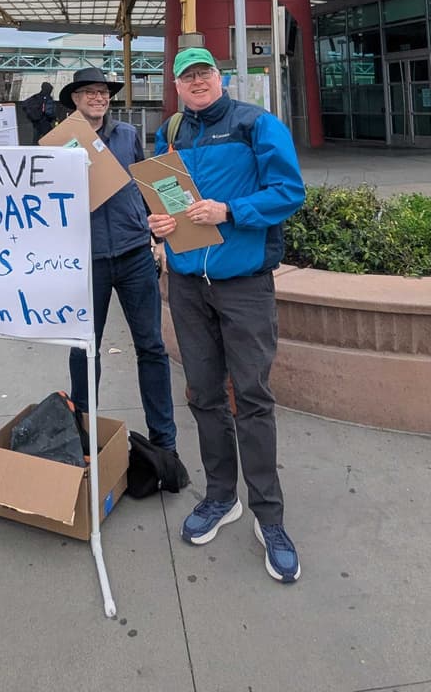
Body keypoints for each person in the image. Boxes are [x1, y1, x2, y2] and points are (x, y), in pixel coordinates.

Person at [149, 47, 306, 583]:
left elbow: (289, 191)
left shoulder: (256, 124)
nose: (197, 82)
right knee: (204, 394)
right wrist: (160, 226)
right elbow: (165, 204)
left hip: (244, 285)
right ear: (176, 85)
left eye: (204, 73)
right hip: (188, 285)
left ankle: (270, 516)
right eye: (187, 76)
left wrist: (230, 210)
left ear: (220, 79)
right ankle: (221, 496)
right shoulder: (169, 133)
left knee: (253, 397)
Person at [59, 67, 186, 481]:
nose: (98, 97)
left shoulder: (128, 135)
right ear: (75, 98)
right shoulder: (59, 142)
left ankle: (164, 442)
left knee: (151, 347)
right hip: (87, 258)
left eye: (103, 92)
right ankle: (84, 437)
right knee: (84, 349)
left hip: (133, 253)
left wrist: (159, 238)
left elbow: (146, 186)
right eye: (89, 92)